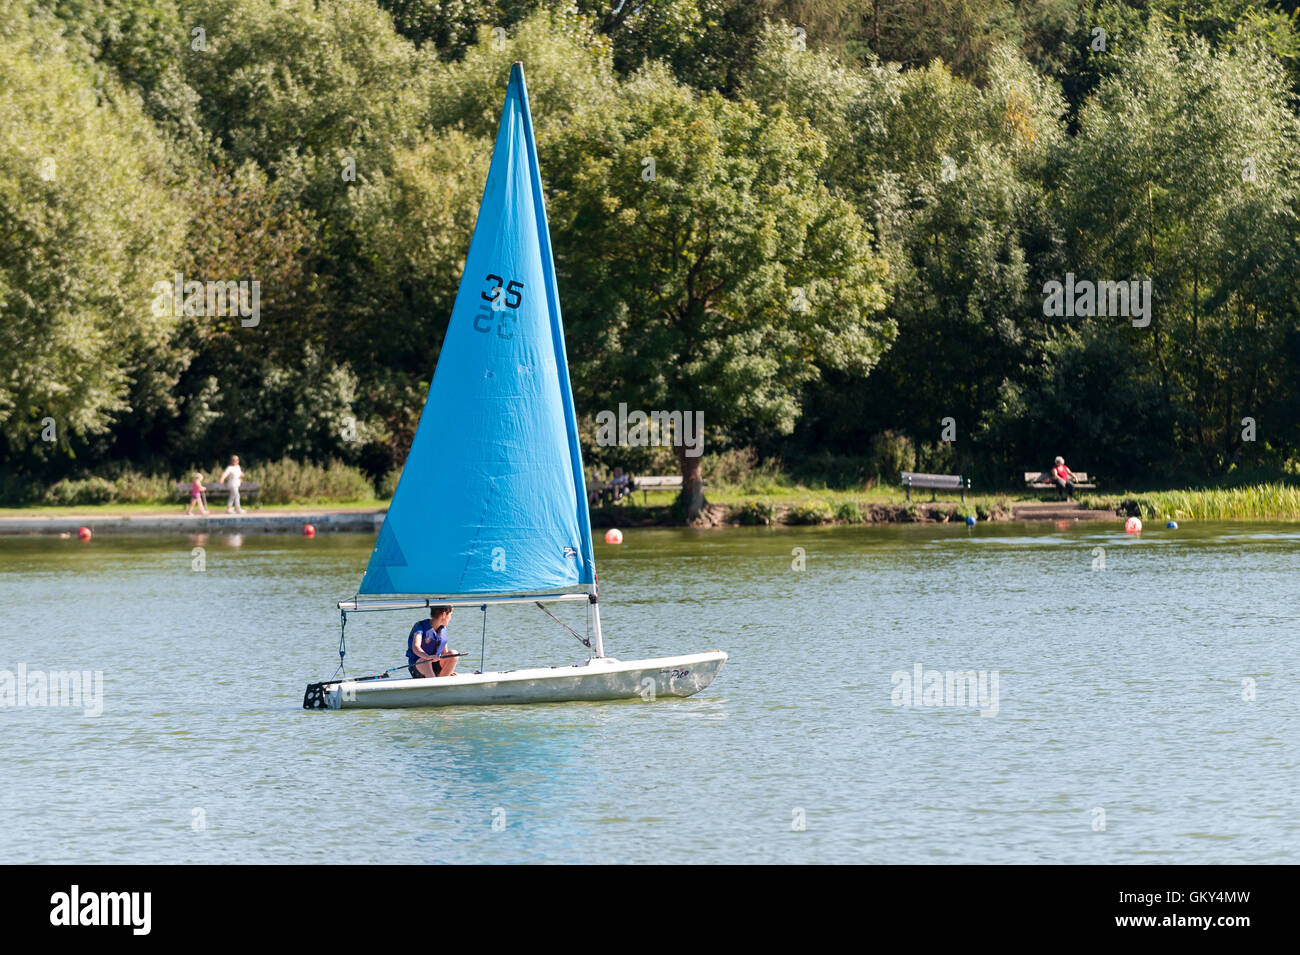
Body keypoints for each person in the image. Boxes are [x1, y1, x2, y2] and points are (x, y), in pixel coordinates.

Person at [406, 606, 459, 679]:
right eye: (450, 614)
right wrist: (427, 657)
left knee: (453, 654)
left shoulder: (442, 628)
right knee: (426, 660)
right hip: (420, 665)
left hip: (435, 664)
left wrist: (448, 669)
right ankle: (434, 685)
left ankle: (443, 681)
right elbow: (416, 647)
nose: (451, 618)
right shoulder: (420, 626)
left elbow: (444, 653)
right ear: (444, 615)